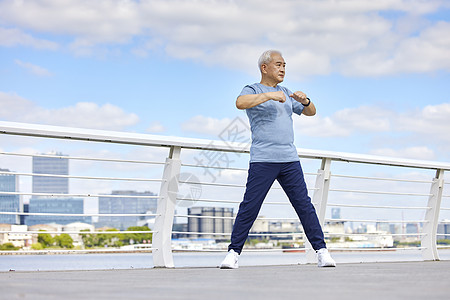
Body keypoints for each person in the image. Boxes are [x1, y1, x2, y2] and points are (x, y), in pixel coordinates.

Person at [220, 50, 336, 269]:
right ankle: (233, 254)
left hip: (289, 160)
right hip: (263, 160)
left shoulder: (286, 92)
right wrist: (268, 95)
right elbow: (240, 102)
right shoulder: (253, 89)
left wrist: (306, 100)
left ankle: (322, 252)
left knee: (304, 206)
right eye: (278, 64)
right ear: (265, 68)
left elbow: (311, 112)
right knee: (250, 207)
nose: (283, 69)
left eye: (285, 65)